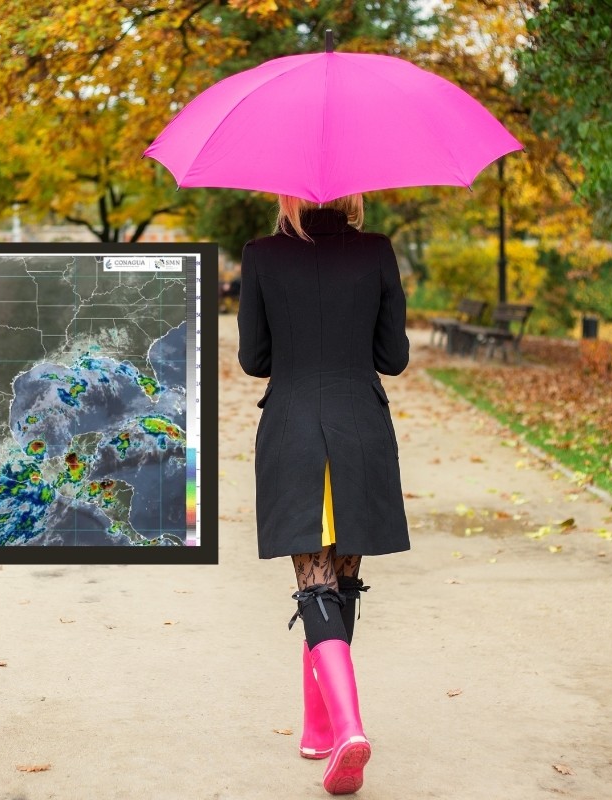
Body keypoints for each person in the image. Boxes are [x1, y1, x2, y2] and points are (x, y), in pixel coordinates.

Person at [237, 193, 410, 796]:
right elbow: (394, 357)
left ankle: (347, 728)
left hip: (292, 433)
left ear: (285, 195)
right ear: (353, 193)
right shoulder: (377, 252)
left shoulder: (260, 256)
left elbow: (254, 359)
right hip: (360, 429)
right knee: (344, 579)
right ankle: (323, 727)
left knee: (315, 583)